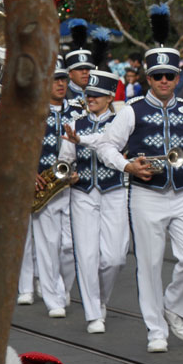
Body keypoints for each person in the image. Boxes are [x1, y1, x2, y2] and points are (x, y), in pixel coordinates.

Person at [91, 4, 183, 353]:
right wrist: (128, 167)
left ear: (178, 77)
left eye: (169, 76)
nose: (164, 81)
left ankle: (174, 308)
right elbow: (105, 147)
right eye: (157, 76)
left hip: (180, 195)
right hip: (145, 196)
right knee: (148, 264)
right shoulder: (131, 110)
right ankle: (155, 330)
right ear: (148, 78)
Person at [0, 57, 78, 316]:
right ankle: (53, 299)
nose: (60, 84)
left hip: (72, 187)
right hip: (38, 187)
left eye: (62, 78)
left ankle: (61, 288)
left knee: (70, 247)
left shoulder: (77, 108)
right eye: (54, 79)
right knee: (46, 244)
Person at [62, 62, 127, 334]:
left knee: (114, 258)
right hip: (83, 193)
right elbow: (65, 160)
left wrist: (82, 141)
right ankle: (92, 312)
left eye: (97, 95)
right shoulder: (75, 123)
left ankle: (102, 300)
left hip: (115, 191)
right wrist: (67, 174)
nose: (91, 99)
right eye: (89, 94)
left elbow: (107, 141)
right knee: (87, 255)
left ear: (110, 97)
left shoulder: (121, 121)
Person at [65, 19, 93, 109]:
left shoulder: (99, 95)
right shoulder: (62, 96)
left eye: (88, 69)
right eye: (80, 69)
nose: (85, 72)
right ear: (70, 73)